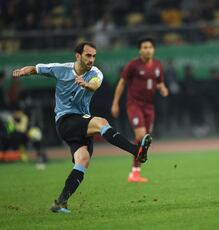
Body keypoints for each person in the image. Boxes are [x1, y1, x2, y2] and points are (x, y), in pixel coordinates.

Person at [12, 42, 152, 213]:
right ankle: (136, 151)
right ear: (78, 56)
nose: (91, 59)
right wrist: (22, 72)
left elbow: (95, 84)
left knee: (83, 160)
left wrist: (87, 85)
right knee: (101, 122)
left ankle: (61, 202)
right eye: (88, 55)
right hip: (65, 120)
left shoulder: (96, 73)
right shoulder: (61, 69)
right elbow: (35, 68)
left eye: (94, 56)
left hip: (80, 123)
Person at [111, 37, 168, 183]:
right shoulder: (133, 65)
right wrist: (115, 103)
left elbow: (159, 83)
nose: (147, 49)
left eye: (150, 47)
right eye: (144, 47)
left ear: (153, 49)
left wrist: (163, 88)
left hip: (149, 106)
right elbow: (122, 83)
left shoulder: (158, 65)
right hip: (134, 104)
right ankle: (134, 173)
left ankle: (135, 172)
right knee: (142, 136)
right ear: (139, 50)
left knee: (145, 140)